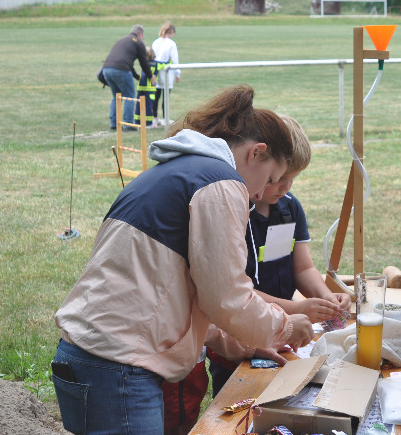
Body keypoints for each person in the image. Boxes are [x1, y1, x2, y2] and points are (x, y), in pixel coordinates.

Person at [51, 84, 315, 435]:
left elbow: (184, 294)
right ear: (257, 152)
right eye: (270, 178)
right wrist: (286, 325)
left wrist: (241, 341)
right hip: (118, 367)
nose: (259, 193)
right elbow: (228, 298)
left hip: (89, 356)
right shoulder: (220, 183)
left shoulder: (178, 172)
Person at [161, 115, 351, 434]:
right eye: (278, 178)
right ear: (260, 163)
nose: (284, 187)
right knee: (237, 408)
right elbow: (233, 290)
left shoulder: (290, 208)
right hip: (237, 338)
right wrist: (295, 310)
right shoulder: (234, 210)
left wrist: (323, 296)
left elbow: (302, 266)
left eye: (293, 179)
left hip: (279, 332)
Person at [101, 24, 155, 131]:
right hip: (121, 70)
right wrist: (150, 76)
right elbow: (143, 62)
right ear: (140, 34)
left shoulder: (122, 40)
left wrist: (136, 77)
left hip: (106, 70)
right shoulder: (138, 42)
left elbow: (127, 63)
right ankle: (129, 124)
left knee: (116, 96)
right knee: (130, 96)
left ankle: (114, 123)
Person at [151, 21, 181, 128]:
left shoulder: (156, 42)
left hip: (156, 72)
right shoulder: (171, 44)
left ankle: (155, 119)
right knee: (165, 97)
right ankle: (165, 119)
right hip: (167, 72)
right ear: (172, 32)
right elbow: (174, 59)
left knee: (156, 96)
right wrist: (178, 73)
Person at [133, 46, 158, 128]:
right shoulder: (157, 63)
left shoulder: (143, 62)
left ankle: (137, 122)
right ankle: (148, 123)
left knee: (138, 105)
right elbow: (166, 64)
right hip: (149, 89)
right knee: (148, 106)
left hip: (140, 87)